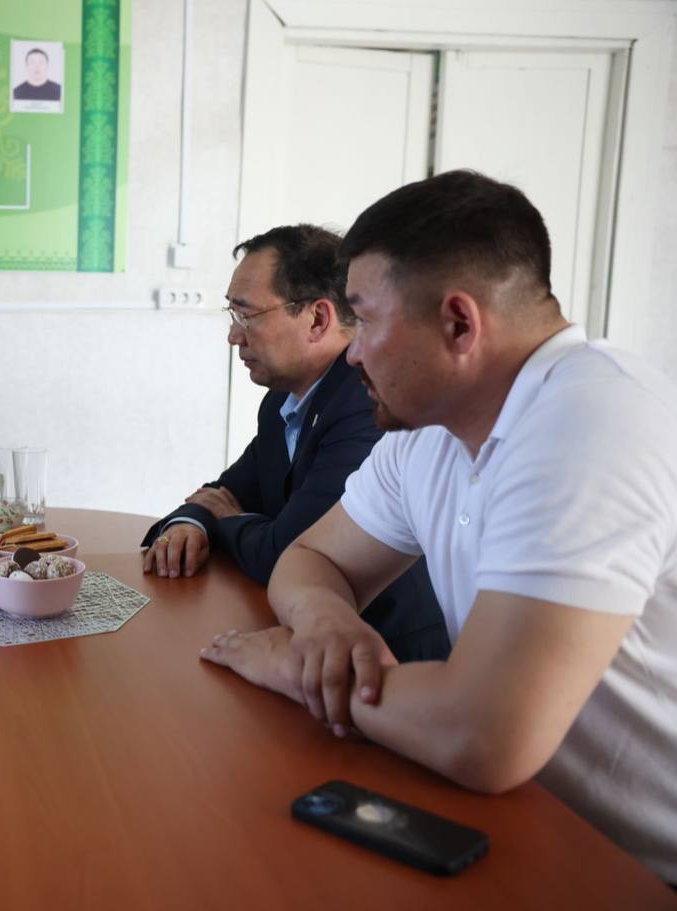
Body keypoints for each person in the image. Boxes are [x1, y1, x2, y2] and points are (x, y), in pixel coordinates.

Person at [199, 171, 677, 885]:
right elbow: (312, 559)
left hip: (643, 868)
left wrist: (293, 665)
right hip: (531, 826)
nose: (353, 352)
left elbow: (484, 733)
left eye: (366, 320)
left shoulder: (592, 422)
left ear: (458, 323)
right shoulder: (428, 434)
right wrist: (327, 625)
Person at [142, 225, 447, 662]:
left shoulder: (366, 406)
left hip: (391, 659)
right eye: (232, 315)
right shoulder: (281, 403)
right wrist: (190, 523)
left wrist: (228, 518)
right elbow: (222, 491)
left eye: (246, 316)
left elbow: (285, 554)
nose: (233, 336)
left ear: (317, 319)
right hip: (307, 643)